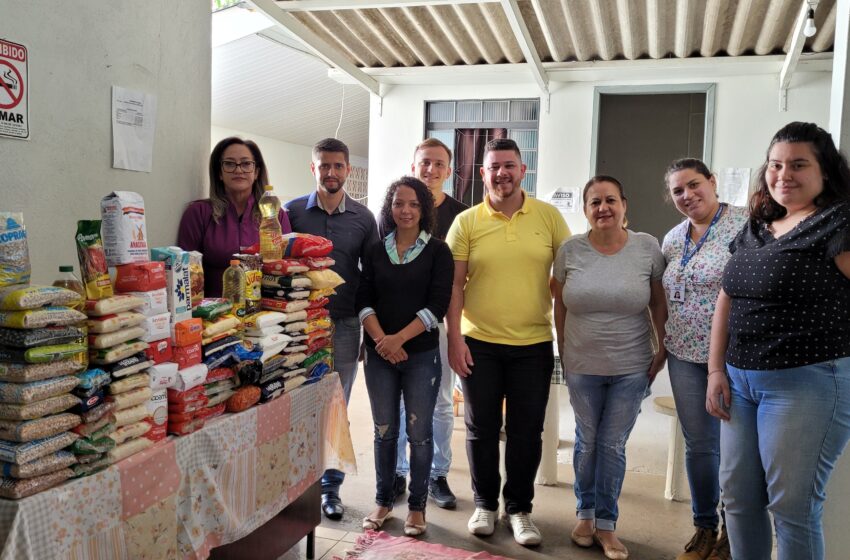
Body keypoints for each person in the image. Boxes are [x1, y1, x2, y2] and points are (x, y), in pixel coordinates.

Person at [707, 122, 850, 560]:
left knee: (792, 506)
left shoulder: (838, 221)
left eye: (798, 164)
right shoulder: (759, 223)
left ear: (825, 171)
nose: (783, 174)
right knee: (738, 497)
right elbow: (727, 298)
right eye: (775, 164)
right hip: (739, 381)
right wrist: (715, 369)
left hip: (807, 382)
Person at [446, 138, 570, 547]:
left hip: (534, 344)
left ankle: (519, 509)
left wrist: (567, 340)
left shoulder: (549, 218)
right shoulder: (466, 222)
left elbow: (566, 281)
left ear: (523, 170)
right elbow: (454, 286)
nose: (502, 173)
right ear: (482, 173)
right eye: (494, 166)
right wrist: (454, 340)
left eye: (509, 165)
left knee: (526, 431)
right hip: (478, 342)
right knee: (480, 429)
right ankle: (485, 504)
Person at [553, 175, 667, 560]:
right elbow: (560, 305)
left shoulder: (647, 247)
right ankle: (584, 515)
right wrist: (564, 351)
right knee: (586, 441)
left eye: (610, 200)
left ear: (624, 205)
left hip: (632, 365)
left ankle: (607, 524)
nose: (603, 208)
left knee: (611, 443)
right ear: (585, 210)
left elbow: (657, 303)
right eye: (595, 202)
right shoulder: (570, 250)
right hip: (582, 363)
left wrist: (662, 346)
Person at [285, 137, 379, 520]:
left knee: (334, 407)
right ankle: (294, 487)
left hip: (342, 325)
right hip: (296, 327)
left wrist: (365, 329)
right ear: (314, 168)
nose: (331, 172)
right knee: (294, 405)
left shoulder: (364, 218)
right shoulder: (290, 213)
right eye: (324, 165)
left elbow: (371, 276)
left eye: (338, 166)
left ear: (348, 171)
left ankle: (330, 489)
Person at [356, 176, 454, 536]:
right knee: (384, 432)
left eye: (414, 204)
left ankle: (417, 508)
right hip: (380, 355)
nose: (406, 210)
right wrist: (383, 341)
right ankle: (383, 501)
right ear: (390, 208)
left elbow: (437, 306)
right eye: (399, 203)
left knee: (420, 434)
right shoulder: (375, 250)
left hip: (420, 357)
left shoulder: (438, 252)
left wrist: (398, 339)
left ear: (424, 209)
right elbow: (363, 300)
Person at [661, 159, 748, 560]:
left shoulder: (746, 225)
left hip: (733, 357)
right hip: (683, 353)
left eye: (694, 185)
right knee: (699, 446)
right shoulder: (673, 238)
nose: (687, 195)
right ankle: (704, 528)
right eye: (678, 191)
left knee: (735, 447)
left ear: (713, 182)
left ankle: (733, 531)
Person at [394, 138, 468, 509]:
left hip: (438, 322)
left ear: (449, 170)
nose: (431, 170)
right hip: (397, 321)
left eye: (439, 164)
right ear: (413, 164)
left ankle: (438, 474)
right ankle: (397, 471)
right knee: (398, 400)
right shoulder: (396, 206)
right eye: (425, 162)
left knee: (439, 402)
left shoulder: (461, 213)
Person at [177, 137, 292, 296]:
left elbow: (288, 267)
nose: (238, 170)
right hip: (215, 315)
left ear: (256, 172)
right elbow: (185, 272)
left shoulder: (276, 215)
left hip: (267, 313)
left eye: (246, 164)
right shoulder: (198, 213)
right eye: (230, 164)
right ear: (220, 173)